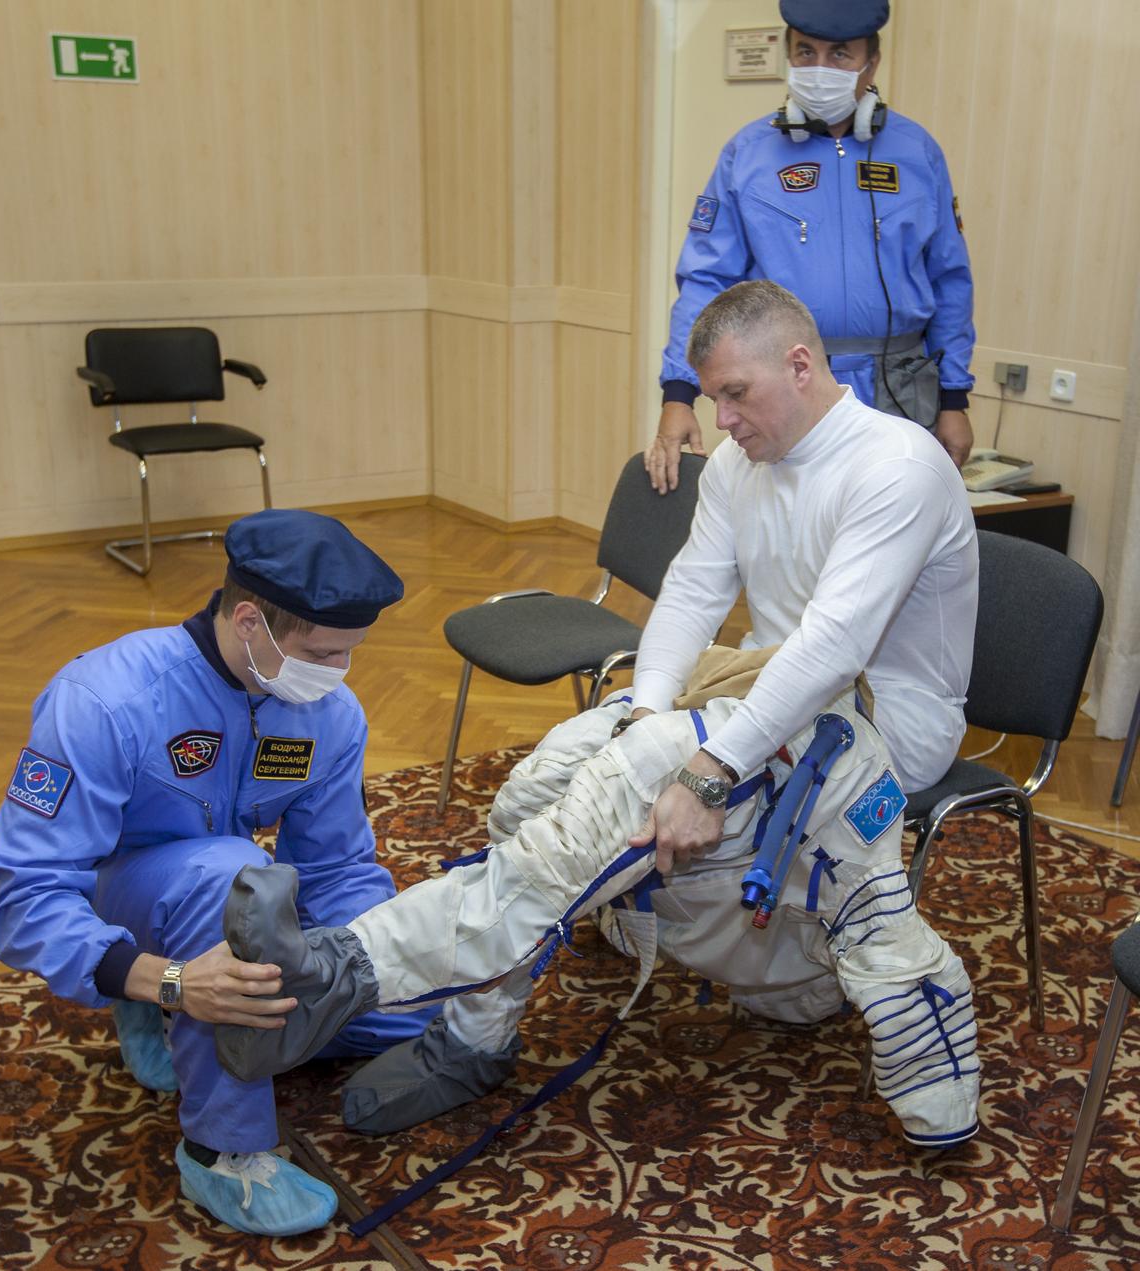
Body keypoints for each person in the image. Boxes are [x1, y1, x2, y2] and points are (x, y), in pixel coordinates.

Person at [213, 280, 982, 1149]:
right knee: (536, 794)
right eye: (711, 397)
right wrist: (643, 716)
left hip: (882, 720)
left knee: (612, 803)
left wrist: (702, 767)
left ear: (800, 366)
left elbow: (834, 649)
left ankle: (342, 977)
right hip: (771, 686)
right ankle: (465, 1033)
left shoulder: (898, 466)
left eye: (736, 393)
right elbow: (691, 594)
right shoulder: (739, 465)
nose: (717, 420)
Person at [0, 509, 438, 1237]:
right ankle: (223, 1147)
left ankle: (203, 1006)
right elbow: (23, 898)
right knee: (234, 879)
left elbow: (337, 864)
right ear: (251, 621)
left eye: (349, 653)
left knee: (417, 1003)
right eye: (322, 653)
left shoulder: (328, 713)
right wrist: (168, 980)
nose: (337, 673)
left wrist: (370, 955)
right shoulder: (103, 699)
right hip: (121, 898)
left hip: (232, 894)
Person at [648, 0, 975, 495]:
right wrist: (679, 393)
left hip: (899, 392)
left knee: (894, 540)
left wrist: (954, 399)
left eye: (841, 55)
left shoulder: (918, 153)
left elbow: (950, 282)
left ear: (873, 63)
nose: (821, 69)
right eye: (806, 51)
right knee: (786, 545)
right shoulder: (747, 154)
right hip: (785, 391)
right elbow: (705, 283)